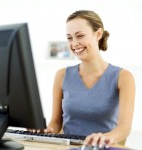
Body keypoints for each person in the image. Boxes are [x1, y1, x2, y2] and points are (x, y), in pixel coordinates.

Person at [35, 10, 135, 148]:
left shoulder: (123, 77)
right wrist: (46, 130)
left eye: (80, 36)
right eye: (69, 38)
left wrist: (104, 138)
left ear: (98, 34)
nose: (74, 43)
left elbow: (124, 128)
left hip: (101, 147)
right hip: (68, 147)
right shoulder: (62, 75)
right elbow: (56, 122)